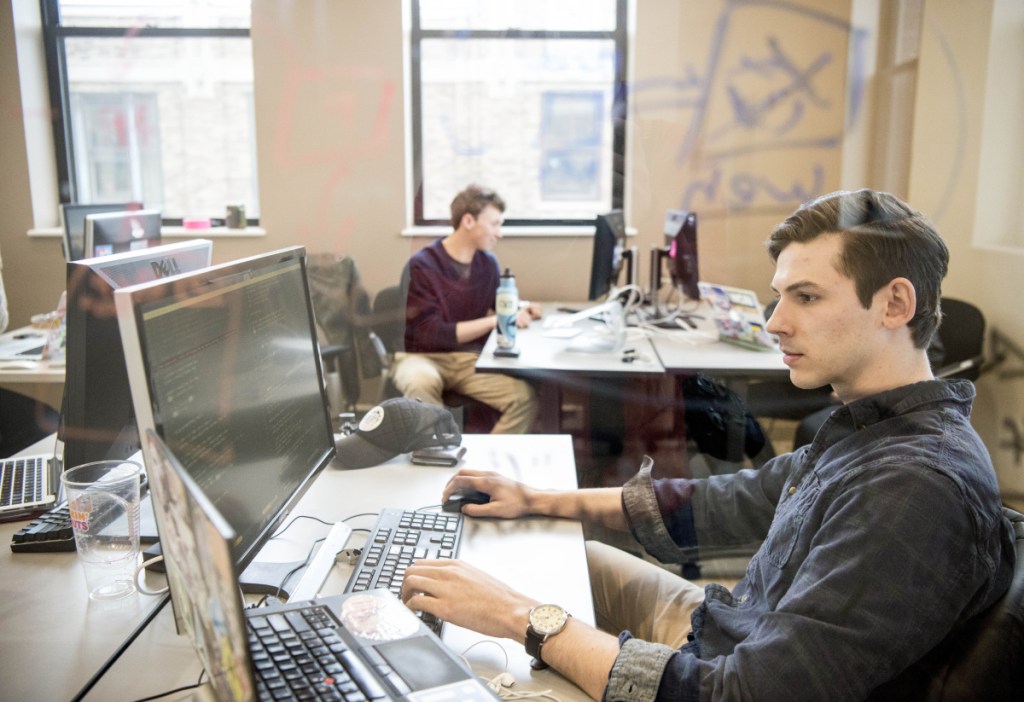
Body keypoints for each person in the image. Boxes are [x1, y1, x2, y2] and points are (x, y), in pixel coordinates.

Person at [400, 189, 1016, 701]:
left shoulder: (909, 488)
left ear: (895, 304)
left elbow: (742, 695)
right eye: (781, 296)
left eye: (805, 297)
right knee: (537, 554)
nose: (775, 320)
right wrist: (539, 497)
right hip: (731, 627)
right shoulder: (869, 428)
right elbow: (720, 500)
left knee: (505, 625)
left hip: (725, 674)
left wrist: (520, 617)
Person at [393, 184, 540, 434]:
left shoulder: (487, 263)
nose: (499, 233)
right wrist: (497, 320)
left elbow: (497, 303)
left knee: (523, 398)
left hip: (468, 360)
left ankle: (482, 467)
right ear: (469, 221)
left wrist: (521, 308)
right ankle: (436, 457)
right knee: (420, 383)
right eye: (494, 224)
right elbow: (431, 334)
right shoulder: (422, 265)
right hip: (421, 357)